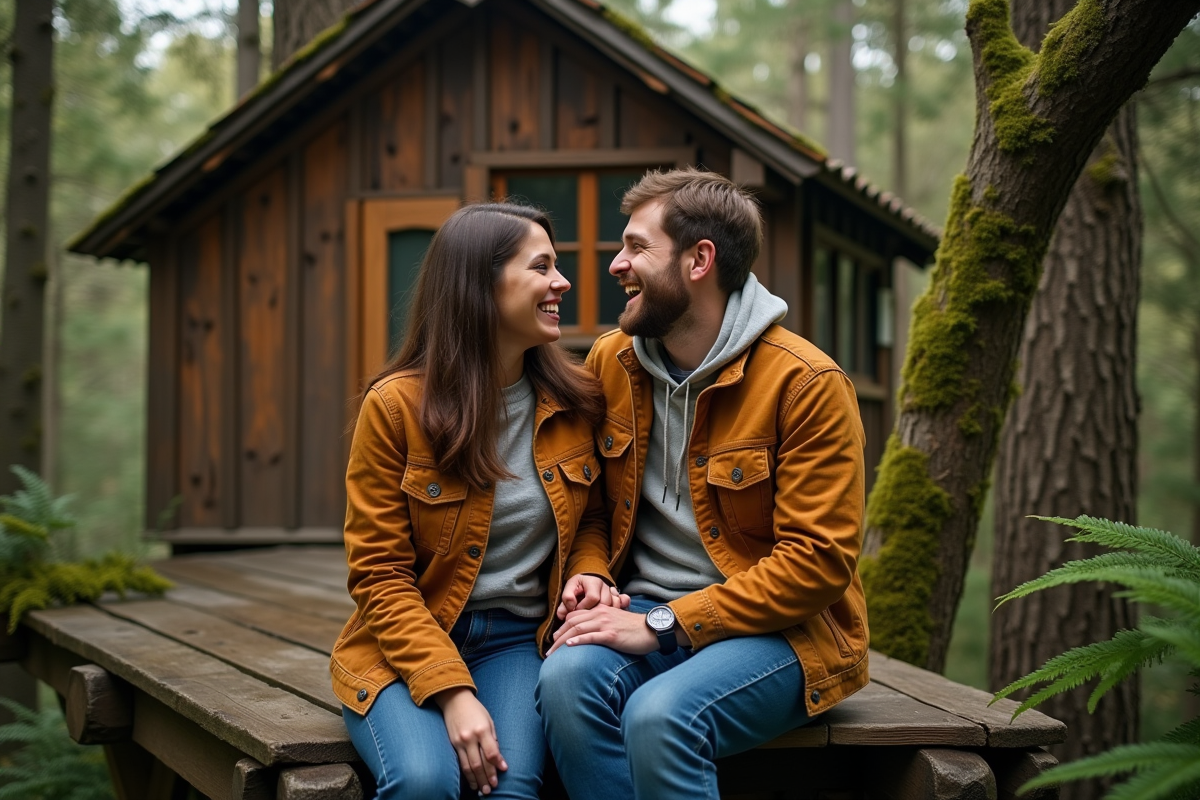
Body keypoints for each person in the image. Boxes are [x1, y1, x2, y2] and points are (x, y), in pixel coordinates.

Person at [536, 168, 869, 800]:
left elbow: (817, 565)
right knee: (564, 682)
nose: (615, 265)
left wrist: (666, 623)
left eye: (636, 247)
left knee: (661, 716)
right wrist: (593, 573)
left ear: (699, 260)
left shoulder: (805, 384)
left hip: (783, 633)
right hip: (640, 610)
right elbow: (594, 510)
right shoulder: (613, 362)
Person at [331, 203, 623, 800]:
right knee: (422, 781)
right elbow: (379, 575)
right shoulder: (394, 409)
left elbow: (592, 516)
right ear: (481, 286)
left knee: (509, 790)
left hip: (517, 640)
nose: (561, 283)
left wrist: (589, 571)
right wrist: (452, 692)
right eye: (541, 267)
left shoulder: (577, 401)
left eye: (557, 266)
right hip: (406, 641)